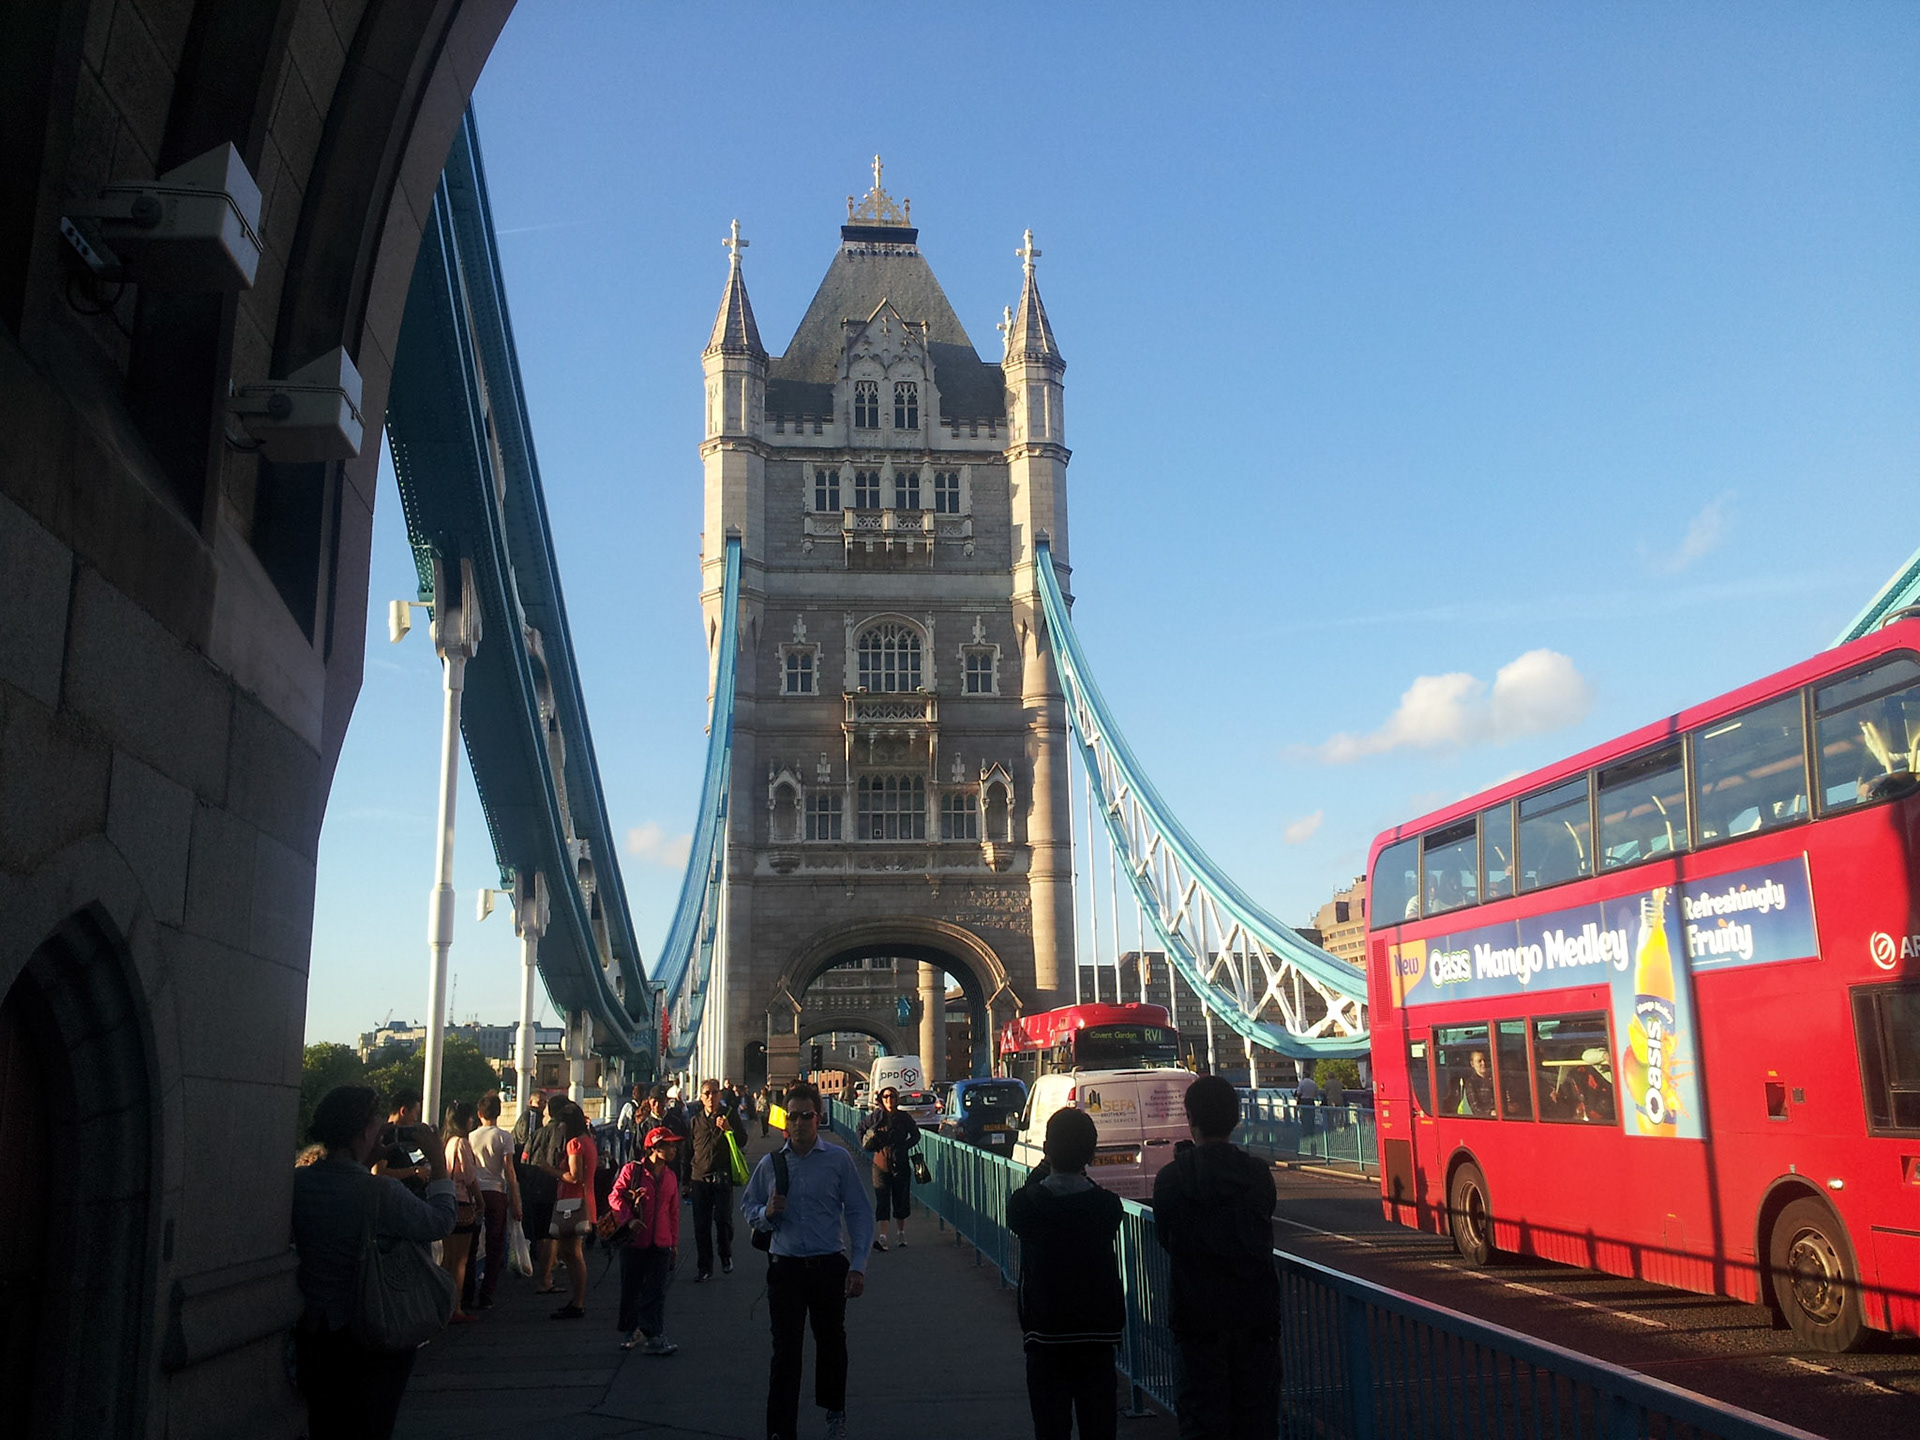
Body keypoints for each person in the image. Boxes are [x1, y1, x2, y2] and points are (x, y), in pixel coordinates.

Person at [291, 1086, 456, 1439]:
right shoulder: (382, 1193)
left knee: (324, 1425)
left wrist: (364, 1161)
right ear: (366, 1130)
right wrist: (439, 1163)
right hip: (374, 1328)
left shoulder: (298, 1183)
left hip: (313, 1330)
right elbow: (440, 1223)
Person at [741, 1081, 873, 1440]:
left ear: (819, 1118)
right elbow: (748, 1207)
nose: (800, 1122)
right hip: (785, 1268)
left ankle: (834, 1413)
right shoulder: (771, 1164)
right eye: (794, 1116)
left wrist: (859, 1264)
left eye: (807, 1115)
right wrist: (766, 1213)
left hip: (829, 1265)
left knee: (832, 1344)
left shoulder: (838, 1160)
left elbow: (860, 1212)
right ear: (786, 1121)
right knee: (785, 1353)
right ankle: (781, 1431)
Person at [1152, 1075, 1281, 1440]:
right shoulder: (1258, 1176)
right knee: (1257, 1422)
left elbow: (1168, 1238)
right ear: (1236, 1118)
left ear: (1190, 1118)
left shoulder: (1171, 1180)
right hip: (1256, 1319)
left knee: (1201, 1422)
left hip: (1197, 1322)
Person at [1005, 1108, 1124, 1440]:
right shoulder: (1108, 1207)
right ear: (1091, 1153)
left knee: (1050, 1429)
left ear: (1047, 1149)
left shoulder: (1025, 1206)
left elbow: (1029, 1194)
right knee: (1099, 1428)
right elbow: (1093, 1191)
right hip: (1097, 1336)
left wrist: (1047, 1160)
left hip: (1045, 1335)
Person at [609, 1126, 682, 1354]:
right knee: (631, 1287)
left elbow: (673, 1211)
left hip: (660, 1241)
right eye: (667, 1145)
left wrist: (673, 1242)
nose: (673, 1150)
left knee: (656, 1290)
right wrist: (628, 1219)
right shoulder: (633, 1171)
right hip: (635, 1240)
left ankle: (654, 1334)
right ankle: (632, 1330)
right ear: (654, 1147)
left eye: (673, 1145)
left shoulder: (670, 1176)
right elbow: (615, 1196)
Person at [467, 1092, 521, 1311]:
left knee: (471, 1243)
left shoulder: (470, 1137)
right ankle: (487, 1293)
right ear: (498, 1113)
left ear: (479, 1114)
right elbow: (509, 1170)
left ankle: (467, 1290)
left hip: (474, 1192)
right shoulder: (504, 1137)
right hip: (496, 1192)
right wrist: (516, 1199)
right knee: (495, 1243)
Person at [545, 1102, 599, 1318]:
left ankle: (577, 1301)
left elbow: (574, 1176)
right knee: (572, 1253)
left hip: (572, 1202)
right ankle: (577, 1300)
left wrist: (551, 1170)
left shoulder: (574, 1144)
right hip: (587, 1200)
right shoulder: (588, 1141)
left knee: (572, 1253)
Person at [688, 1077, 740, 1280]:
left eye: (715, 1092)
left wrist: (729, 1129)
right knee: (701, 1226)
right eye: (707, 1093)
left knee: (723, 1221)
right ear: (701, 1098)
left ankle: (725, 1255)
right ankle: (704, 1268)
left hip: (722, 1177)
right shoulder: (694, 1122)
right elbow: (687, 1152)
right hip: (699, 1179)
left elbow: (742, 1140)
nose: (711, 1097)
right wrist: (685, 1181)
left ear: (720, 1095)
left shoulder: (730, 1115)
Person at [860, 1086, 919, 1251]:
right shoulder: (875, 1117)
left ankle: (901, 1233)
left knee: (901, 1199)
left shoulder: (904, 1118)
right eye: (885, 1097)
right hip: (880, 1163)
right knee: (882, 1200)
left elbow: (916, 1135)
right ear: (881, 1099)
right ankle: (883, 1237)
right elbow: (860, 1128)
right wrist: (867, 1144)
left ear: (896, 1099)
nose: (889, 1100)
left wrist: (904, 1146)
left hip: (900, 1163)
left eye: (892, 1097)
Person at [440, 1100, 482, 1323]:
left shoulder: (446, 1142)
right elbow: (469, 1177)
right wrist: (480, 1201)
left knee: (448, 1258)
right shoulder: (462, 1144)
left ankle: (443, 1304)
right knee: (461, 1260)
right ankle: (456, 1307)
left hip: (447, 1202)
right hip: (463, 1204)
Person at [519, 1095, 562, 1292]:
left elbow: (524, 1158)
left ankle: (543, 1272)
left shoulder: (536, 1134)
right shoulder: (563, 1133)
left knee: (539, 1233)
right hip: (554, 1187)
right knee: (550, 1233)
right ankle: (546, 1275)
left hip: (533, 1186)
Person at [375, 1088, 430, 1195]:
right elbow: (379, 1172)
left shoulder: (399, 1137)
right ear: (403, 1111)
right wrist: (414, 1171)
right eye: (415, 1113)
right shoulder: (385, 1136)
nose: (415, 1119)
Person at [1458, 1051, 1496, 1117]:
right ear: (1472, 1064)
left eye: (1485, 1060)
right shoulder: (1471, 1083)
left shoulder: (1495, 1079)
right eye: (1479, 1061)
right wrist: (1490, 1112)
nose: (1483, 1063)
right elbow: (1475, 1108)